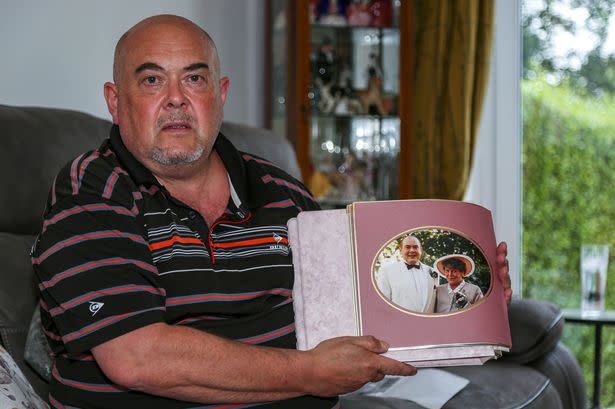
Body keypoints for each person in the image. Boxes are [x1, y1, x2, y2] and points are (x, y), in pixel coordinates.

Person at [30, 14, 512, 409]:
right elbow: (138, 358)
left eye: (193, 78)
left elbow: (360, 315)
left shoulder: (283, 193)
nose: (176, 97)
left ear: (219, 95)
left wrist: (469, 307)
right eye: (152, 79)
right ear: (116, 102)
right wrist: (309, 373)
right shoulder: (90, 193)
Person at [376, 236, 438, 313]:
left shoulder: (432, 272)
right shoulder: (386, 271)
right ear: (400, 250)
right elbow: (383, 305)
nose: (412, 250)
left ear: (421, 250)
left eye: (415, 247)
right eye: (407, 247)